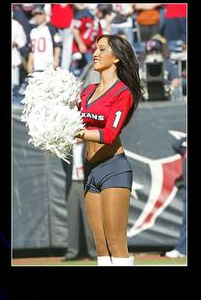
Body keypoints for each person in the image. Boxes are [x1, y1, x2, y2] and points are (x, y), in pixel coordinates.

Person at [74, 34, 143, 266]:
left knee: (116, 244)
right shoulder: (86, 92)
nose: (96, 53)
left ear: (116, 58)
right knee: (101, 246)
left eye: (102, 49)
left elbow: (109, 135)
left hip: (114, 169)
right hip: (90, 170)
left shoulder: (123, 93)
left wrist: (76, 132)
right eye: (95, 49)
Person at [61, 140, 97, 261]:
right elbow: (65, 165)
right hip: (72, 185)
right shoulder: (67, 148)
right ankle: (72, 252)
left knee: (90, 221)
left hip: (86, 184)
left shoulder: (89, 146)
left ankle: (94, 252)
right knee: (72, 220)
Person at [164, 136, 187, 258]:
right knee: (185, 220)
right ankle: (182, 249)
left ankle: (182, 249)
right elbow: (175, 145)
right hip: (186, 188)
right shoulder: (185, 150)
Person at [27, 5, 62, 74]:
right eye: (35, 14)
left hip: (49, 66)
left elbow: (57, 45)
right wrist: (30, 63)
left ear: (45, 14)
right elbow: (31, 50)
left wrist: (56, 60)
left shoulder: (51, 29)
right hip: (37, 67)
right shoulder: (32, 31)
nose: (37, 16)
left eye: (40, 13)